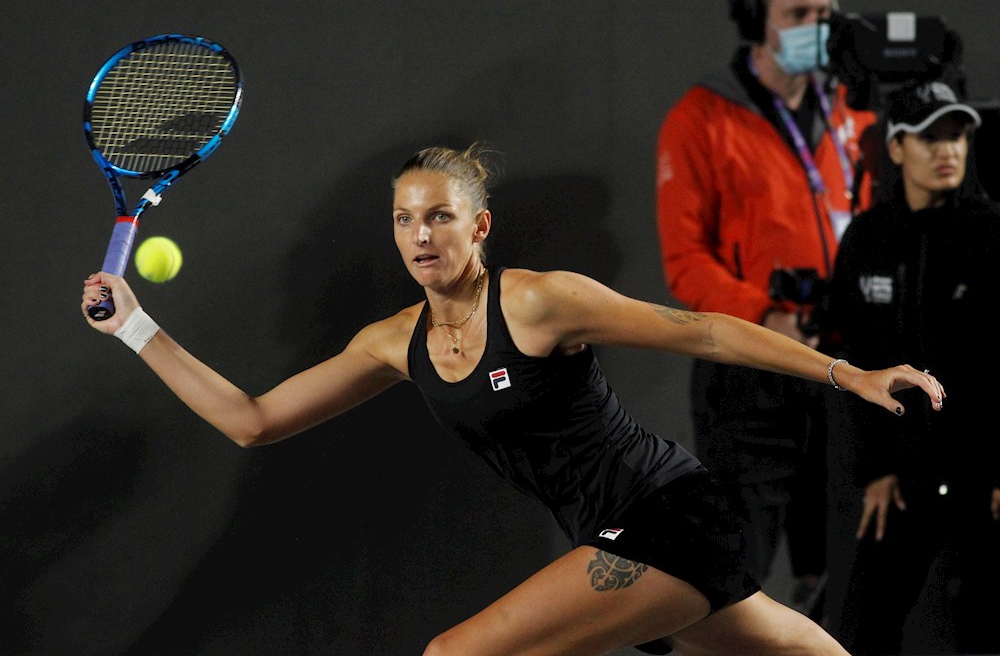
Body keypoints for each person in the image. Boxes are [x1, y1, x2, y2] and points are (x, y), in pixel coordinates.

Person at [81, 143, 943, 655]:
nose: (421, 235)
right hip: (614, 535)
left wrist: (849, 374)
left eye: (441, 218)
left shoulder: (536, 300)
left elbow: (703, 331)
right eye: (404, 220)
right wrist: (134, 328)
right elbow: (252, 421)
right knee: (795, 647)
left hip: (666, 513)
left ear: (479, 226)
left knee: (454, 654)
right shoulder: (393, 341)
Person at [655, 0, 877, 613]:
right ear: (757, 19)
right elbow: (686, 262)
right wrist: (763, 313)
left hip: (840, 369)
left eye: (826, 14)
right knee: (734, 571)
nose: (818, 27)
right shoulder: (701, 118)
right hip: (750, 374)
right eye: (799, 15)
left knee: (844, 567)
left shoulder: (853, 111)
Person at [824, 81, 1000, 655]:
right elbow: (851, 361)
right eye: (930, 137)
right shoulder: (867, 239)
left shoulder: (992, 234)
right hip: (900, 477)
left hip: (982, 472)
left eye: (957, 136)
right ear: (896, 149)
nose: (947, 150)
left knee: (981, 628)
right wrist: (874, 468)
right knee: (859, 629)